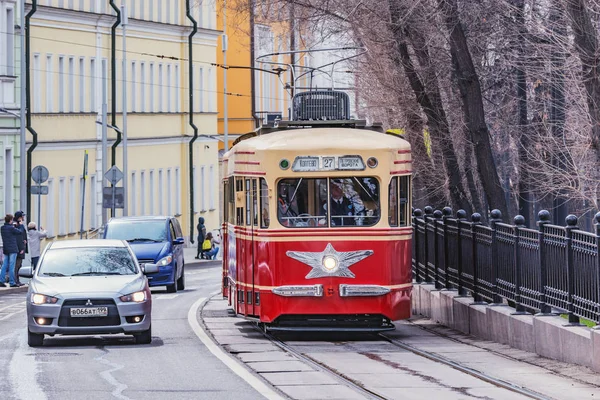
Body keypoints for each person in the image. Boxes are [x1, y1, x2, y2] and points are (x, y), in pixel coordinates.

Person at [1, 214, 22, 287]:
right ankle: (12, 282)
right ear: (10, 220)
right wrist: (20, 225)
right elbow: (20, 232)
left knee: (4, 265)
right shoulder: (12, 228)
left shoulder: (2, 228)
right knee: (11, 266)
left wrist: (13, 226)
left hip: (6, 248)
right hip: (13, 249)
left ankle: (1, 280)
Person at [13, 211, 27, 285]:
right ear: (19, 217)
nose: (23, 218)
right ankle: (15, 280)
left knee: (19, 265)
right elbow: (19, 235)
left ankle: (17, 280)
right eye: (22, 216)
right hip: (18, 248)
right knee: (17, 265)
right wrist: (21, 248)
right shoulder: (17, 225)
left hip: (21, 247)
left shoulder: (19, 225)